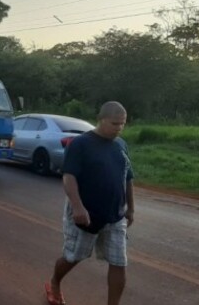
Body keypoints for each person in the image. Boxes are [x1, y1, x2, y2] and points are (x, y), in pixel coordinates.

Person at [46, 101, 135, 305]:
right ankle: (55, 282)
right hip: (84, 213)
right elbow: (69, 177)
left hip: (115, 215)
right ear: (101, 119)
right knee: (73, 257)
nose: (119, 128)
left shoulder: (121, 145)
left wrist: (131, 208)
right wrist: (78, 207)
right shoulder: (80, 144)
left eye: (123, 124)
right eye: (115, 123)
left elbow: (128, 178)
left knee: (119, 262)